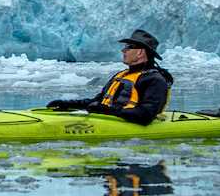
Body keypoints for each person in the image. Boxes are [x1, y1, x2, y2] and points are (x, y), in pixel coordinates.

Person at [45, 30, 174, 126]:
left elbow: (145, 116)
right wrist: (68, 104)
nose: (123, 51)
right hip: (109, 119)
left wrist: (107, 111)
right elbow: (98, 101)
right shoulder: (121, 75)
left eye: (128, 47)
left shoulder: (154, 80)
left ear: (140, 52)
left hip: (126, 124)